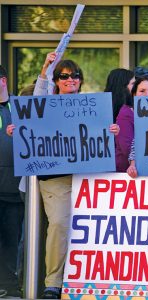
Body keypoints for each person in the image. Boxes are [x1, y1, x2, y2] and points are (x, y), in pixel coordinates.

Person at [34, 52, 120, 299]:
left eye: (75, 76)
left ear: (81, 80)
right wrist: (45, 70)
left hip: (88, 178)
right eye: (63, 76)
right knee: (60, 224)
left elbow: (102, 135)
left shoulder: (92, 107)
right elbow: (34, 104)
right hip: (56, 178)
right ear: (56, 80)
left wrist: (112, 129)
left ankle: (89, 280)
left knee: (93, 229)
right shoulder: (46, 103)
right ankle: (53, 283)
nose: (70, 79)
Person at [0, 65, 24, 298]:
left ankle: (10, 286)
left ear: (3, 80)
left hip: (13, 187)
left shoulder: (20, 107)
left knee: (11, 240)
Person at [116, 75, 148, 173]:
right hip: (125, 175)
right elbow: (127, 148)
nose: (146, 95)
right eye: (142, 91)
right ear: (134, 94)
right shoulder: (126, 114)